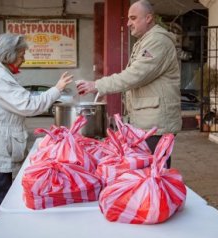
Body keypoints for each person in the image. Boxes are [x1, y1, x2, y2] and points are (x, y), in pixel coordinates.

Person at [0, 33, 73, 238]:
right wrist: (56, 89)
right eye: (22, 54)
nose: (24, 58)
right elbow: (28, 106)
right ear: (9, 54)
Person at [76, 0, 181, 166]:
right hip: (147, 122)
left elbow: (135, 75)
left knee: (156, 175)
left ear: (148, 18)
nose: (128, 23)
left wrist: (97, 85)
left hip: (155, 125)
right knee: (148, 174)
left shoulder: (157, 41)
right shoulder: (146, 40)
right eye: (128, 18)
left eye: (133, 18)